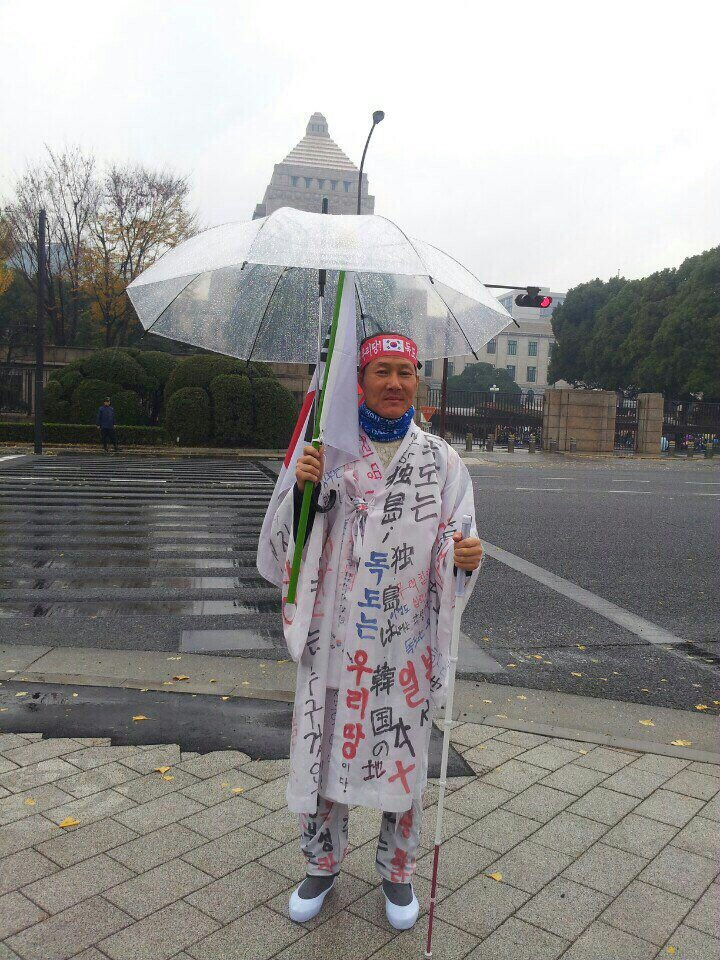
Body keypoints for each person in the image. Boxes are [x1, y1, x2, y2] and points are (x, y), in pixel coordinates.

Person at [262, 334, 483, 930]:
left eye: (405, 372)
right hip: (337, 639)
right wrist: (301, 489)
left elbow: (455, 537)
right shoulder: (328, 452)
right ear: (357, 381)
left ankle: (399, 872)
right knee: (327, 746)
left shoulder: (442, 461)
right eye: (381, 371)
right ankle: (322, 862)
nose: (394, 383)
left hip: (402, 643)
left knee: (401, 755)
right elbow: (285, 546)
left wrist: (461, 557)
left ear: (419, 381)